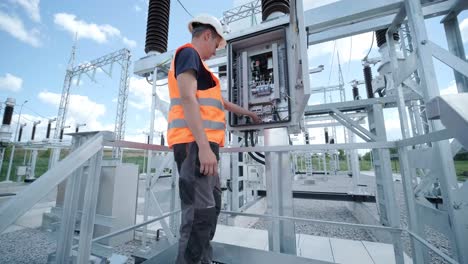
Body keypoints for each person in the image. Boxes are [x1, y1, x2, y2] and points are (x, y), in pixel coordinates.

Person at [167, 14, 261, 264]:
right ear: (207, 35)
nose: (214, 52)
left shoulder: (201, 67)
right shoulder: (187, 53)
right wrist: (202, 147)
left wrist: (248, 113)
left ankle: (203, 260)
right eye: (216, 45)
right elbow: (188, 99)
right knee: (199, 214)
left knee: (211, 209)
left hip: (204, 146)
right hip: (194, 144)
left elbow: (221, 102)